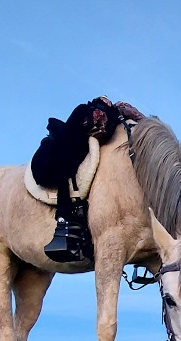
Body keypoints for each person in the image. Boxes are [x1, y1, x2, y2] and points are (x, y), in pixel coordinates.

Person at [32, 96, 122, 262]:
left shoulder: (84, 111)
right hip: (53, 164)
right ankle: (64, 221)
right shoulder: (83, 111)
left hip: (70, 149)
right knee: (65, 165)